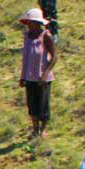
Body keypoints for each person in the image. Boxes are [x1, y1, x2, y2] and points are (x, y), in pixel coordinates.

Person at [18, 8, 57, 139]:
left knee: (43, 105)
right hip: (30, 77)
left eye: (31, 22)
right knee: (32, 105)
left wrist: (46, 73)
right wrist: (23, 77)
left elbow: (54, 57)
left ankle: (43, 129)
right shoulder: (27, 36)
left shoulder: (46, 36)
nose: (29, 25)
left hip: (42, 78)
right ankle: (35, 129)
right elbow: (26, 58)